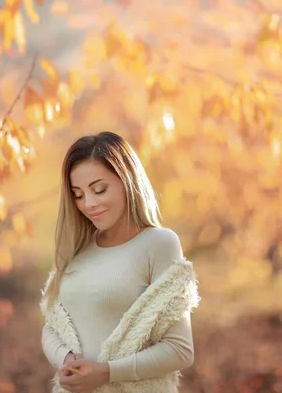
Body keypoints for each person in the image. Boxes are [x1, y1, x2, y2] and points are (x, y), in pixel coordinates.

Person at [40, 131, 200, 393]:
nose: (89, 204)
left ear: (127, 180)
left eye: (99, 189)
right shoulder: (77, 249)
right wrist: (67, 361)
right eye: (78, 195)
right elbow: (53, 328)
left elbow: (180, 350)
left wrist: (105, 373)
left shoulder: (159, 244)